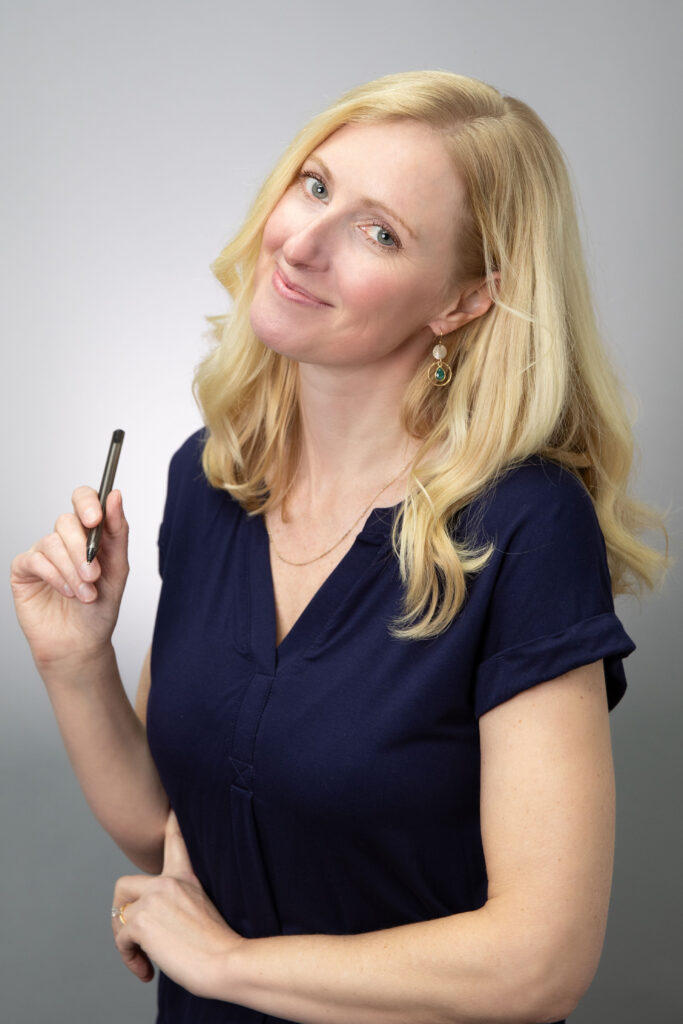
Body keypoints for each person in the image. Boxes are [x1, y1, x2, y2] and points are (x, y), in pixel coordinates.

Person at [10, 71, 667, 1024]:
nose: (301, 243)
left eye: (379, 232)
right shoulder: (212, 478)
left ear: (463, 301)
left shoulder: (524, 527)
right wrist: (73, 663)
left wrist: (231, 966)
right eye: (315, 186)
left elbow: (539, 965)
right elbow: (179, 833)